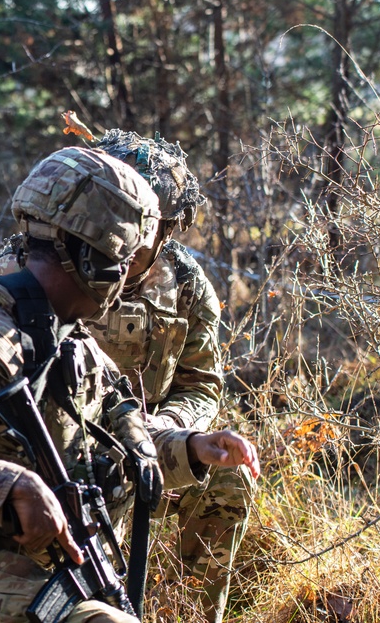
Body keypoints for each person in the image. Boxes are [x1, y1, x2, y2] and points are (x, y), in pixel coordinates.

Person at [0, 146, 260, 623]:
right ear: (91, 262)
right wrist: (11, 488)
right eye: (123, 262)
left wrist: (189, 446)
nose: (130, 278)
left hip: (22, 570)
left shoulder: (68, 336)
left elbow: (113, 434)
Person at [89, 130, 256, 623]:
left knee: (228, 479)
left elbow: (201, 384)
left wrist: (172, 432)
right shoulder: (45, 261)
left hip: (157, 448)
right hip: (59, 451)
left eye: (148, 223)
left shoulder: (186, 287)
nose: (132, 235)